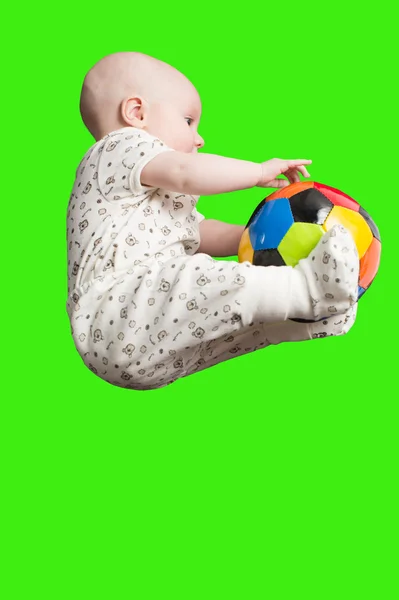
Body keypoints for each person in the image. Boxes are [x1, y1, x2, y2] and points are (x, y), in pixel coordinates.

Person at [66, 51, 359, 390]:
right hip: (117, 311)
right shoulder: (117, 148)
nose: (199, 138)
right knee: (195, 278)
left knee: (220, 317)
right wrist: (258, 171)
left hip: (153, 348)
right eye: (189, 120)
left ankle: (302, 319)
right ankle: (305, 290)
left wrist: (262, 236)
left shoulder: (149, 196)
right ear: (137, 113)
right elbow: (185, 172)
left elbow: (198, 233)